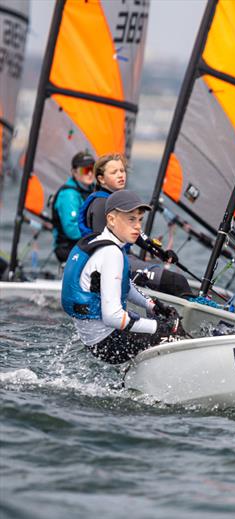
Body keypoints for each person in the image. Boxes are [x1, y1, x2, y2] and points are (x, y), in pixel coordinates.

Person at [61, 190, 186, 364]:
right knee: (178, 340)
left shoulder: (100, 241)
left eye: (140, 220)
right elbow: (112, 317)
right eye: (131, 219)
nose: (138, 227)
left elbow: (123, 285)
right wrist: (159, 328)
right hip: (109, 343)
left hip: (96, 341)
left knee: (161, 325)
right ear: (111, 220)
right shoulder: (111, 253)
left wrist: (151, 306)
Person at [77, 153, 192, 297]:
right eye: (114, 172)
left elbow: (136, 235)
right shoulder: (101, 204)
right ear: (101, 179)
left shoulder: (116, 202)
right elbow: (104, 249)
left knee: (173, 281)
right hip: (111, 264)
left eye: (122, 171)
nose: (120, 175)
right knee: (176, 281)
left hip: (124, 257)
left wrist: (162, 253)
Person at [52, 151, 96, 262]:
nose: (90, 173)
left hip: (87, 243)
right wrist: (97, 237)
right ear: (74, 172)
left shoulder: (94, 189)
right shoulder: (68, 195)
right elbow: (72, 229)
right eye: (85, 170)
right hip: (69, 248)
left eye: (92, 169)